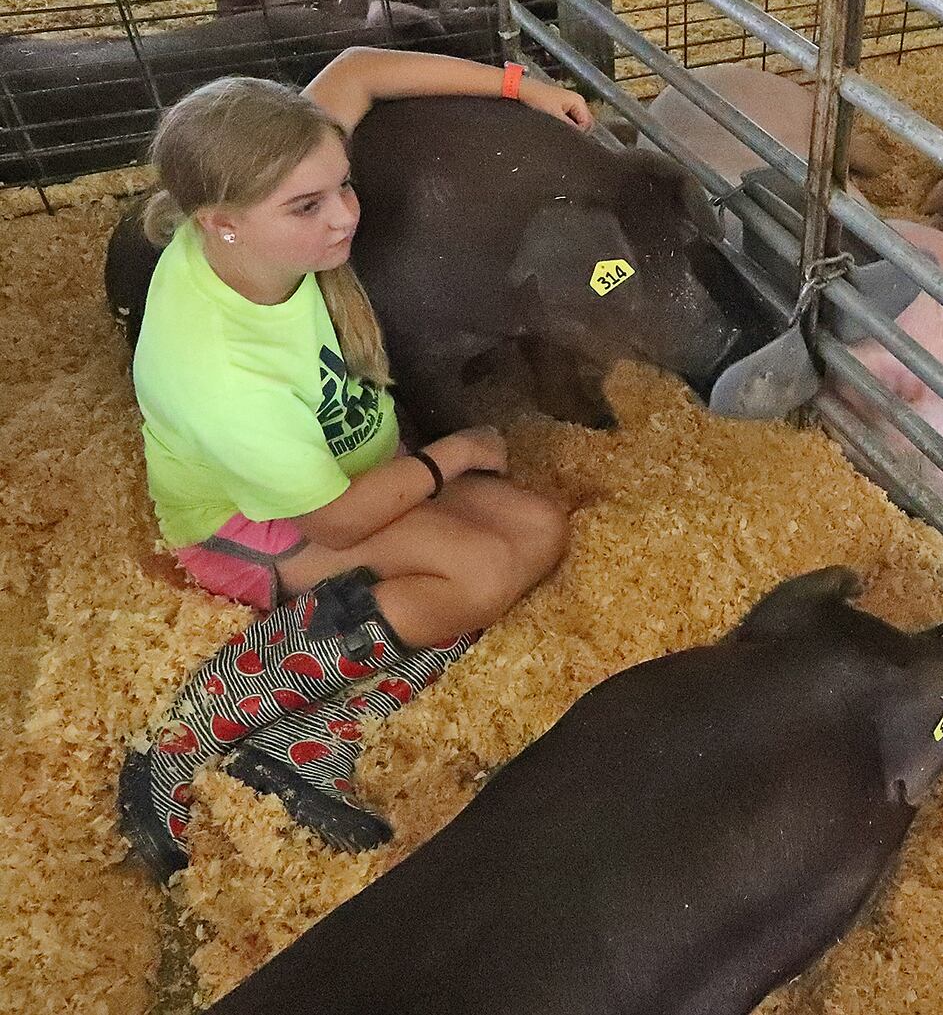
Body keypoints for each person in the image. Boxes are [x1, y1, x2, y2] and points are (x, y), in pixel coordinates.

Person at [120, 48, 591, 878]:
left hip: (347, 462)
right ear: (219, 221)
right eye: (307, 205)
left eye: (342, 184)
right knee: (481, 573)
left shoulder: (260, 175)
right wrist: (453, 457)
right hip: (253, 526)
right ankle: (203, 724)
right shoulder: (224, 370)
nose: (344, 217)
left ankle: (303, 740)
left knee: (539, 527)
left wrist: (526, 88)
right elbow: (334, 519)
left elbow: (362, 69)